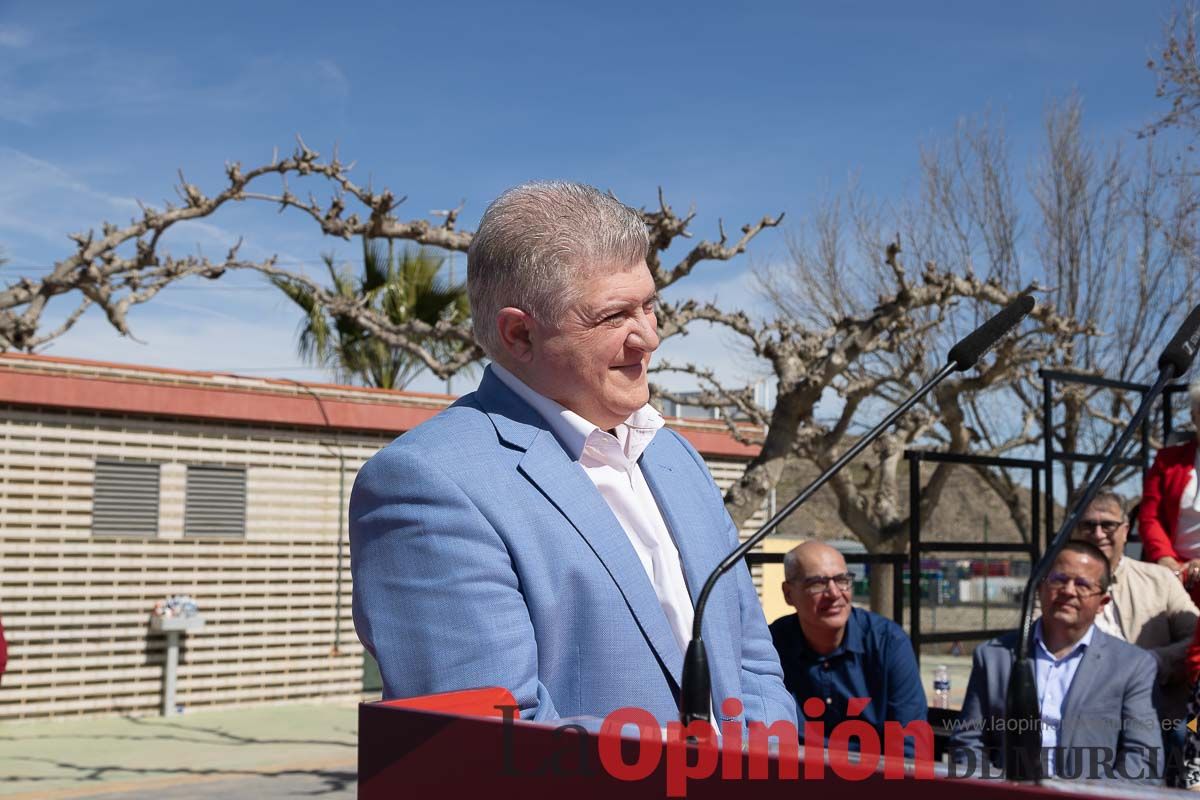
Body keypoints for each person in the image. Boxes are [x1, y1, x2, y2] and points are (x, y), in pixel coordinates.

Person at [350, 181, 796, 729]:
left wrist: (761, 768)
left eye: (650, 306)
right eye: (613, 317)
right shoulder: (426, 486)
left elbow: (752, 662)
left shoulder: (676, 455)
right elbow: (497, 743)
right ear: (518, 335)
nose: (649, 338)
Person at [949, 541, 1162, 782]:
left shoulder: (1132, 666)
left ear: (1102, 602)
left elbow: (1144, 760)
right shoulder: (994, 657)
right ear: (1040, 587)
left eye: (1082, 584)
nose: (1069, 591)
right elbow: (968, 745)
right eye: (1059, 579)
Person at [768, 541, 926, 753]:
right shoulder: (771, 646)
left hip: (873, 779)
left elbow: (910, 745)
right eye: (817, 583)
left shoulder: (888, 643)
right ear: (788, 594)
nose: (834, 593)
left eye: (842, 580)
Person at [1070, 491, 1197, 722]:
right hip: (1084, 711)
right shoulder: (1056, 583)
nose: (1098, 534)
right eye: (1089, 525)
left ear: (1126, 531)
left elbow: (1196, 639)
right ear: (1075, 530)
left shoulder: (1161, 579)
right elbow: (1041, 643)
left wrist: (1152, 662)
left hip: (1161, 710)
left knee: (1186, 733)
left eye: (1108, 525)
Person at [1139, 378, 1200, 582]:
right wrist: (1165, 558)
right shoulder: (1167, 460)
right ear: (1194, 416)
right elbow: (1150, 517)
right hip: (1174, 573)